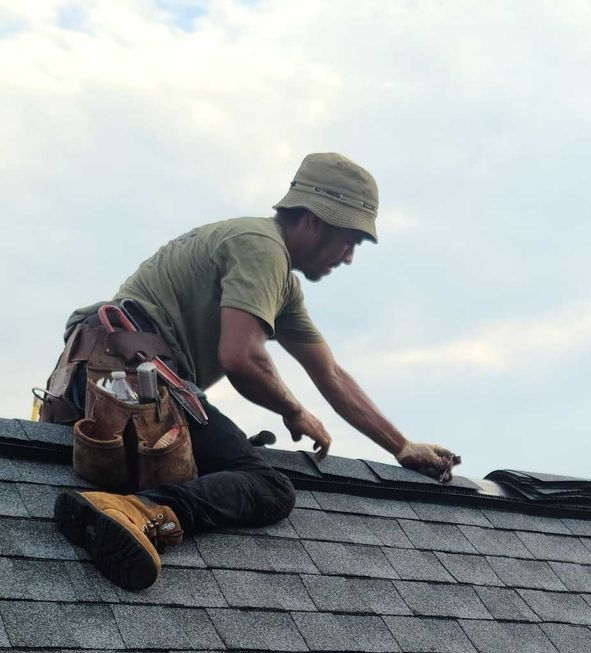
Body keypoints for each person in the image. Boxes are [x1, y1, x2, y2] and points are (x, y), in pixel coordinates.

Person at [41, 152, 461, 590]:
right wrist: (293, 409)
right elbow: (241, 358)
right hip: (130, 378)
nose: (350, 257)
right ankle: (135, 512)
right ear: (314, 221)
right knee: (267, 485)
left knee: (227, 465)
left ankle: (126, 506)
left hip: (105, 377)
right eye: (348, 239)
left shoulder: (278, 278)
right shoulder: (262, 247)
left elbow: (331, 374)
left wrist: (402, 446)